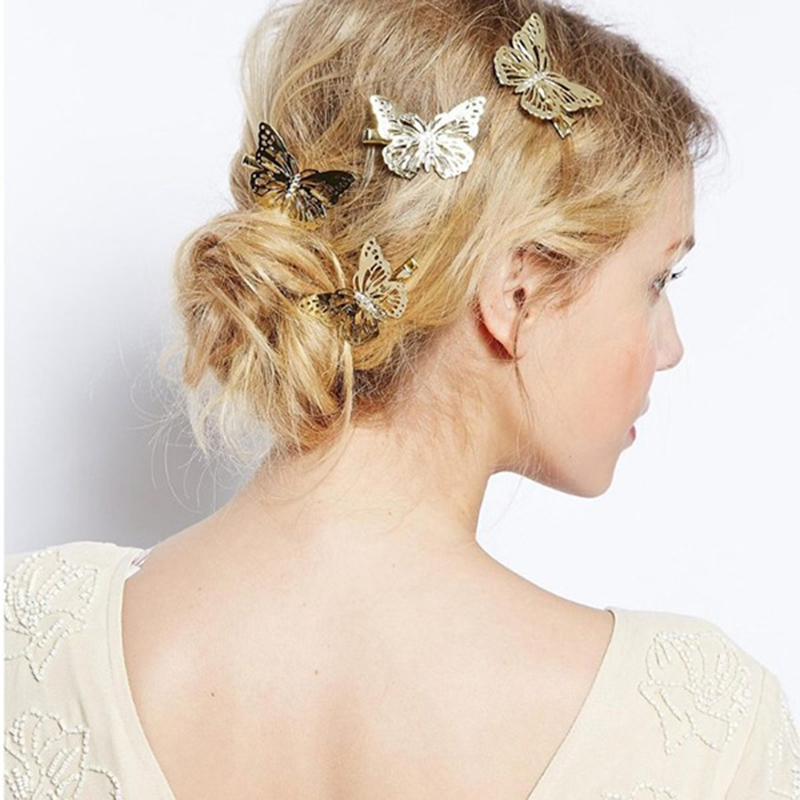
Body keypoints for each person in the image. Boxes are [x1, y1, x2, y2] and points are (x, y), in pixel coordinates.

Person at [4, 0, 797, 798]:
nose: (671, 346)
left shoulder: (30, 639)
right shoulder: (694, 726)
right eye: (656, 281)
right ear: (516, 294)